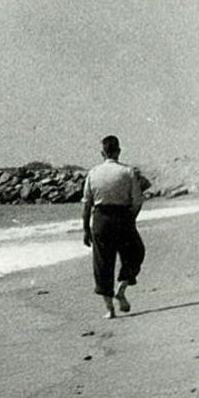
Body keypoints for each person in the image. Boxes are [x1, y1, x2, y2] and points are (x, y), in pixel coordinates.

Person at [81, 135, 145, 319]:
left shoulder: (93, 173)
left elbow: (87, 204)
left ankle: (109, 310)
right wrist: (130, 219)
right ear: (118, 151)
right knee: (135, 253)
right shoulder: (128, 172)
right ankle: (122, 289)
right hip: (123, 217)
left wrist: (86, 229)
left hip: (100, 219)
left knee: (102, 263)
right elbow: (137, 201)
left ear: (102, 153)